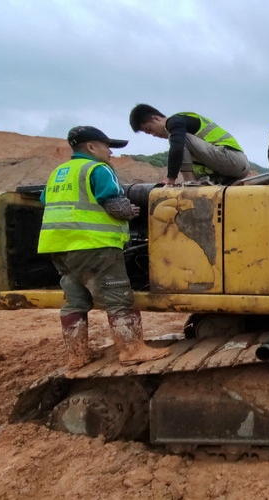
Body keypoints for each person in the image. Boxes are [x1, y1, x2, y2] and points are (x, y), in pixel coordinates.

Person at [37, 126, 171, 370]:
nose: (110, 152)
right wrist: (131, 211)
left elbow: (45, 200)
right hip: (94, 245)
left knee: (74, 301)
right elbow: (115, 206)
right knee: (118, 296)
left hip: (57, 247)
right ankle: (132, 349)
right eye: (106, 146)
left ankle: (78, 356)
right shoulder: (98, 169)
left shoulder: (60, 171)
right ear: (90, 147)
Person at [129, 104, 249, 185]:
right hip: (229, 169)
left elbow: (177, 148)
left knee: (180, 140)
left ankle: (189, 183)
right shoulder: (186, 134)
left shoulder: (175, 122)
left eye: (149, 129)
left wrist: (171, 179)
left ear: (156, 118)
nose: (153, 134)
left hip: (232, 159)